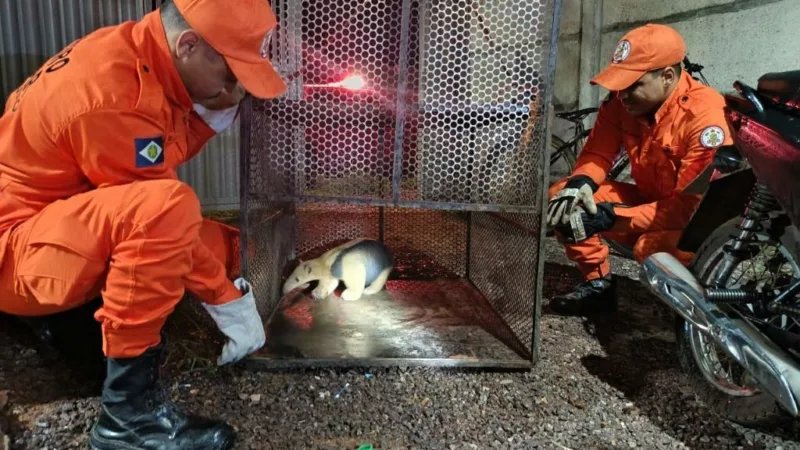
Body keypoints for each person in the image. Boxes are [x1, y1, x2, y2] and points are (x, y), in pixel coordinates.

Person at [0, 0, 287, 448]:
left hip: (57, 222)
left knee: (216, 243)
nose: (235, 87)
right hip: (16, 251)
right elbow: (155, 209)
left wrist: (211, 114)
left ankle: (72, 324)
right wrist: (229, 302)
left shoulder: (134, 52)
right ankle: (127, 419)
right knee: (171, 212)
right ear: (188, 44)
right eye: (231, 74)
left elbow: (149, 155)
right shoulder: (112, 96)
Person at [547, 23, 733, 316]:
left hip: (699, 227)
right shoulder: (622, 105)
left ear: (668, 76)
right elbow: (597, 153)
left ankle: (699, 315)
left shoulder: (706, 117)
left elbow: (689, 208)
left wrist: (611, 218)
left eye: (633, 85)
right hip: (653, 204)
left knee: (650, 248)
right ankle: (598, 288)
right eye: (619, 85)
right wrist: (580, 182)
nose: (622, 95)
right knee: (564, 194)